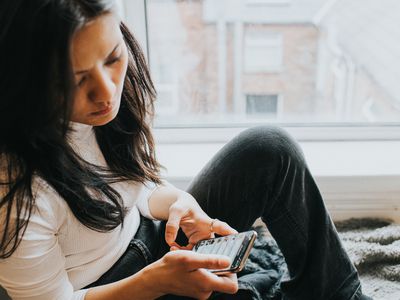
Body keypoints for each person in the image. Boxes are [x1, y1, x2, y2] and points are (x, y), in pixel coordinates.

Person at [0, 1, 373, 299]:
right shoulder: (13, 193)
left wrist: (178, 203)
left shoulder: (104, 104)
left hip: (150, 239)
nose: (107, 91)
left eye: (113, 58)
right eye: (74, 80)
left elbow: (134, 190)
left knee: (269, 149)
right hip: (106, 289)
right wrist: (154, 282)